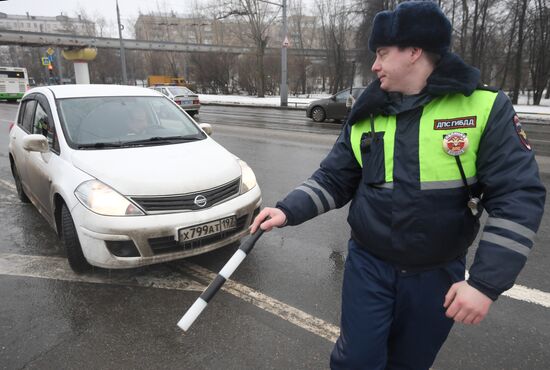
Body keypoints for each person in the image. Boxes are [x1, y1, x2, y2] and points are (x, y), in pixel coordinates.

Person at [250, 1, 545, 369]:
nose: (374, 65)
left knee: (410, 363)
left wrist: (485, 283)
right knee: (356, 361)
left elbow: (517, 196)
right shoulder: (366, 114)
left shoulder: (484, 108)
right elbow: (334, 178)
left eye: (383, 53)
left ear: (415, 52)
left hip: (436, 274)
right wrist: (287, 209)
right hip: (368, 266)